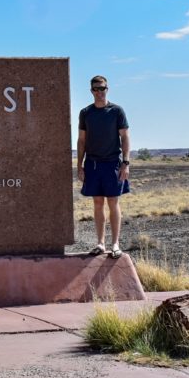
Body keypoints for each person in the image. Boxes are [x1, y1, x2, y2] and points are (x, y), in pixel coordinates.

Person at [76, 75, 130, 258]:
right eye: (96, 89)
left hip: (113, 163)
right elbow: (81, 140)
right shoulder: (86, 113)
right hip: (92, 163)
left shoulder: (116, 111)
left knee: (113, 201)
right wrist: (79, 165)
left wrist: (126, 163)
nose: (99, 92)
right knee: (97, 202)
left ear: (108, 89)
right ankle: (100, 243)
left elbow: (125, 137)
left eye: (102, 88)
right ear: (91, 91)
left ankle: (115, 243)